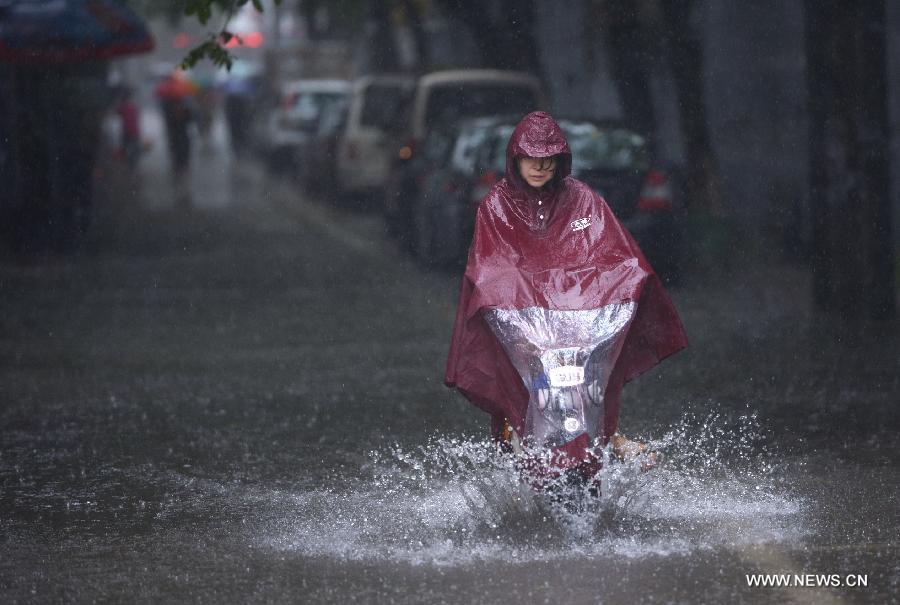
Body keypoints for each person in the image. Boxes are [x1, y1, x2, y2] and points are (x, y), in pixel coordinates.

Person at [445, 111, 688, 483]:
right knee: (531, 393)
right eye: (532, 159)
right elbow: (492, 267)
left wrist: (626, 288)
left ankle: (605, 444)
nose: (540, 168)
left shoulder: (584, 201)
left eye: (548, 160)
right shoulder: (496, 206)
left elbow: (611, 255)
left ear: (560, 161)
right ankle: (546, 459)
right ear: (516, 159)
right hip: (521, 329)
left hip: (579, 329)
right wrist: (515, 315)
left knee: (588, 391)